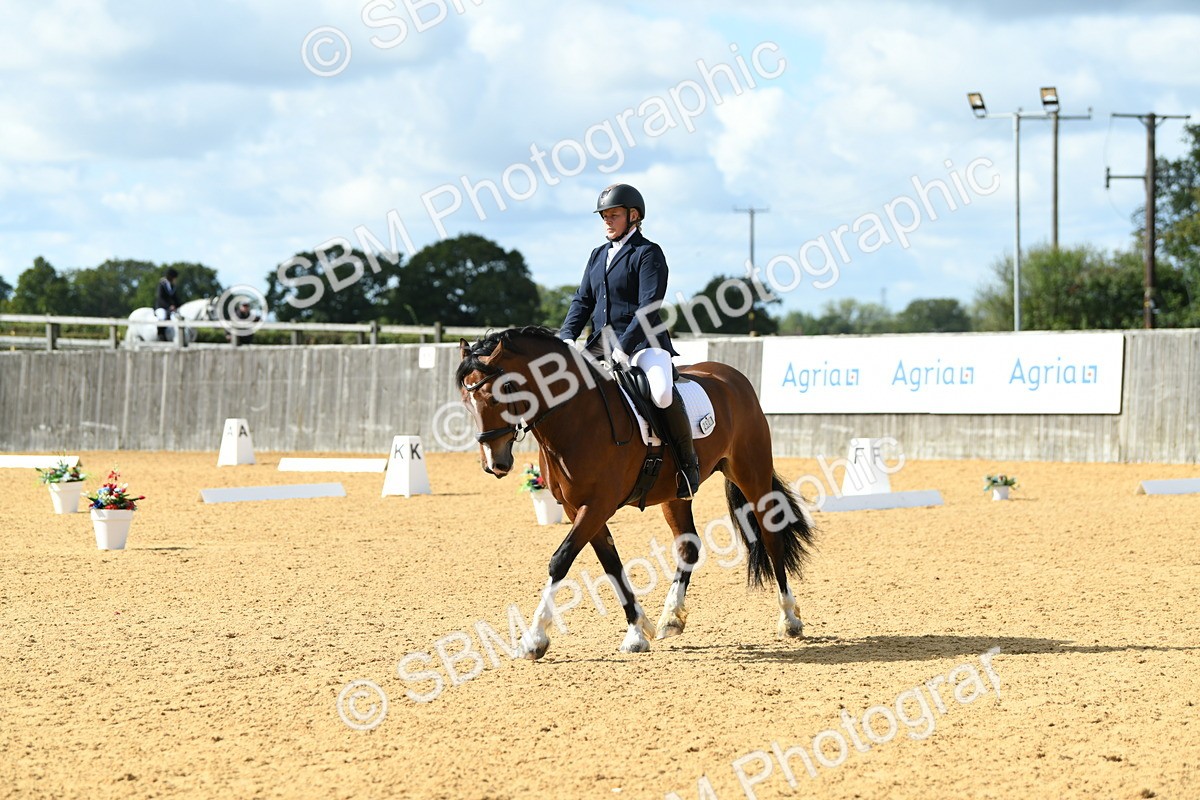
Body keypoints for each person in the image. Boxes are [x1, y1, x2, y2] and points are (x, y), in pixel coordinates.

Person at [557, 183, 701, 499]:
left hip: (645, 344)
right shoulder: (597, 255)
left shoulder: (648, 253)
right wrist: (566, 336)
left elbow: (649, 305)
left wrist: (622, 345)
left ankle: (687, 466)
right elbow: (582, 300)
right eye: (604, 216)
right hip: (600, 344)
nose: (607, 221)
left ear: (633, 216)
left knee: (661, 393)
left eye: (614, 215)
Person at [153, 268, 180, 342]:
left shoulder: (172, 286)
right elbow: (160, 298)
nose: (176, 280)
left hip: (170, 308)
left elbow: (176, 299)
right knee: (162, 317)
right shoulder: (162, 284)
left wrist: (178, 306)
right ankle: (160, 335)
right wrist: (169, 306)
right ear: (171, 277)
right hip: (161, 306)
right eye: (175, 278)